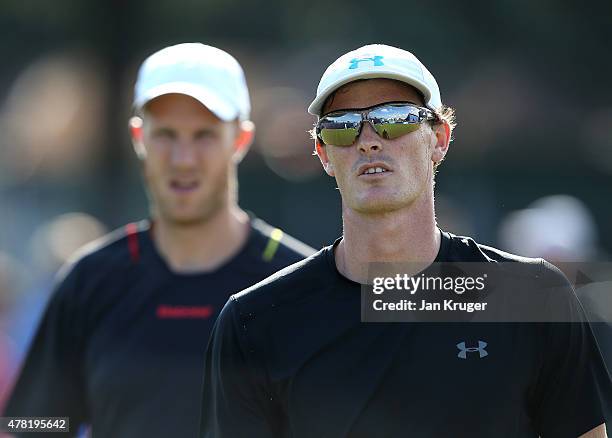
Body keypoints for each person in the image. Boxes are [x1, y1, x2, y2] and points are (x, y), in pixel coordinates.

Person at [200, 44, 611, 437]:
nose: (369, 139)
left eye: (395, 117)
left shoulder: (532, 295)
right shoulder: (257, 320)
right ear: (323, 153)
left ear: (440, 138)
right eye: (342, 125)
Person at [3, 43, 314, 437]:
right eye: (166, 134)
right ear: (139, 137)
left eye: (204, 135)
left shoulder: (298, 284)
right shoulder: (90, 280)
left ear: (240, 139)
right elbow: (34, 424)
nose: (183, 158)